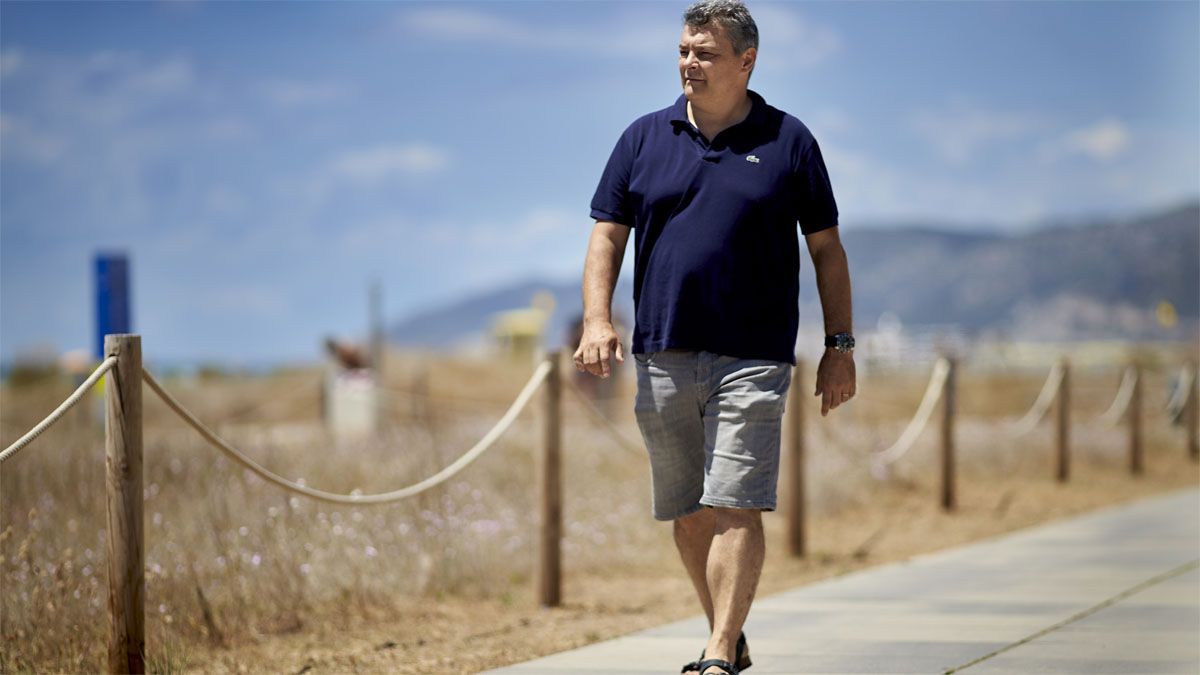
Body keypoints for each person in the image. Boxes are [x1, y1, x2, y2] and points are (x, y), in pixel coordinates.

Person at [572, 1, 856, 674]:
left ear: (746, 60)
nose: (689, 63)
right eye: (683, 51)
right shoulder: (643, 138)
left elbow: (828, 251)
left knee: (735, 502)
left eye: (704, 53)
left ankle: (720, 652)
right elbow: (606, 235)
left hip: (754, 356)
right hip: (664, 351)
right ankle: (723, 628)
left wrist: (840, 346)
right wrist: (597, 318)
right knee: (688, 512)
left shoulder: (790, 141)